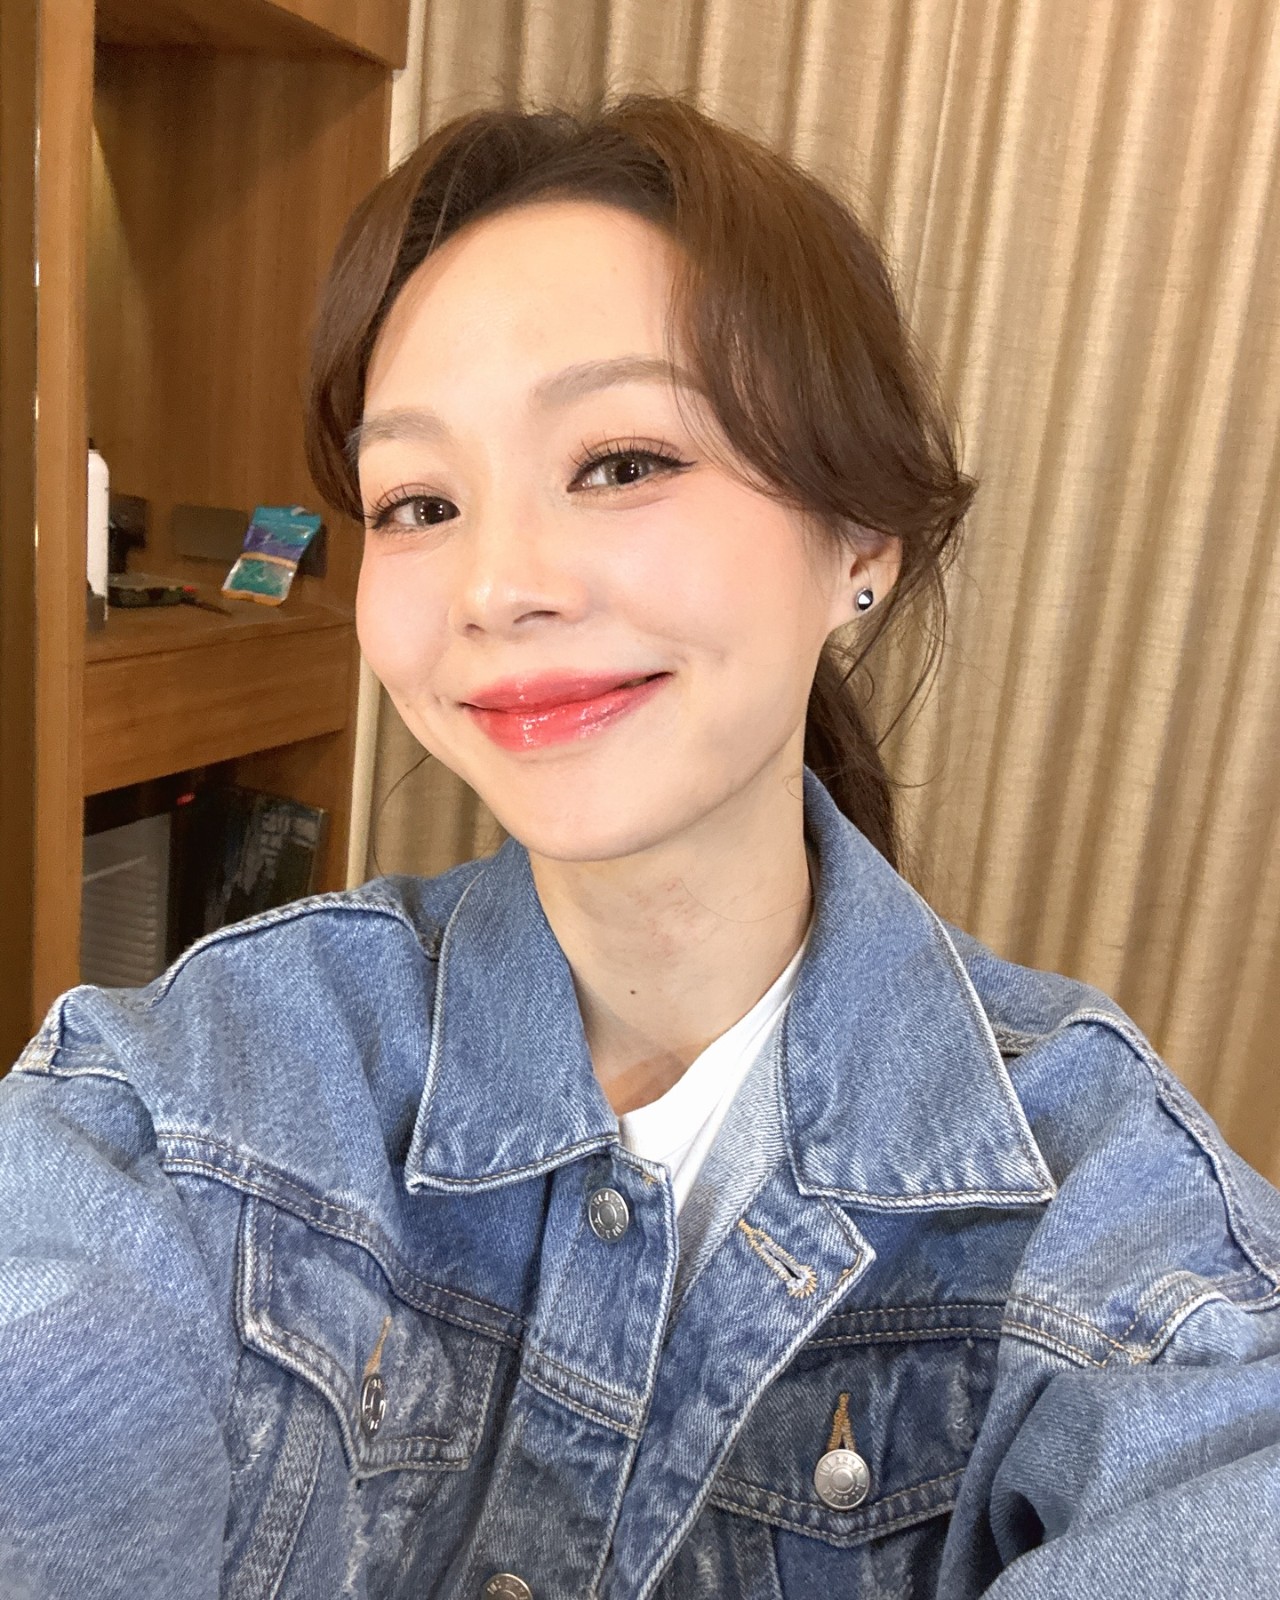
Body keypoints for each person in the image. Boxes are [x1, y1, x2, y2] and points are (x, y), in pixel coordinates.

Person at [1, 93, 1277, 1600]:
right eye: (419, 501)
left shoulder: (1115, 1226)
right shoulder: (202, 1091)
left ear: (860, 541)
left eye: (620, 462)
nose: (497, 587)